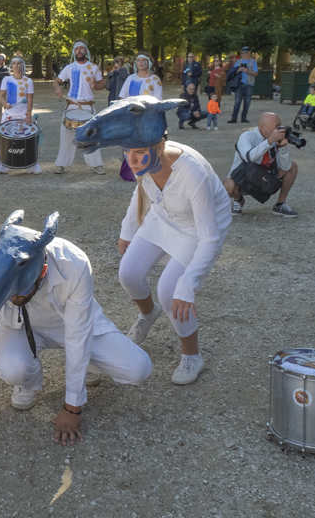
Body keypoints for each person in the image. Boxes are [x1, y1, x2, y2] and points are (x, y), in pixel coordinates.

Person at [0, 211, 152, 472]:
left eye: (20, 292)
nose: (15, 297)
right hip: (16, 328)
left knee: (138, 368)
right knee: (14, 369)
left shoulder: (74, 263)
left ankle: (89, 366)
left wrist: (72, 406)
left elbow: (77, 334)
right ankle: (26, 382)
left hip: (69, 324)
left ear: (42, 269)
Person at [75, 97, 229, 384]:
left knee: (171, 293)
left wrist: (188, 284)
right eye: (126, 153)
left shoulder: (191, 172)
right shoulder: (145, 163)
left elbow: (210, 236)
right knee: (129, 274)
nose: (131, 161)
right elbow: (141, 193)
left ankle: (192, 356)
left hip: (196, 229)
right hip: (162, 217)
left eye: (138, 153)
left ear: (158, 147)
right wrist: (128, 230)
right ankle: (148, 314)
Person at [222, 111, 299, 218]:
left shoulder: (276, 139)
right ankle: (238, 200)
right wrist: (270, 141)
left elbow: (286, 167)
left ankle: (280, 205)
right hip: (244, 179)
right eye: (276, 126)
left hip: (264, 178)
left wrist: (282, 148)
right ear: (263, 128)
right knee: (228, 186)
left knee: (292, 166)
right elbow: (249, 157)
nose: (280, 129)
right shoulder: (246, 137)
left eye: (280, 125)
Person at [53, 40, 106, 175]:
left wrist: (95, 85)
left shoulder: (93, 67)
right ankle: (61, 165)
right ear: (74, 51)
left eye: (82, 48)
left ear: (86, 51)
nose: (80, 51)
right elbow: (56, 81)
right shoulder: (69, 68)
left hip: (87, 106)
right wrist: (58, 88)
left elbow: (101, 85)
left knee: (91, 135)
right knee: (65, 136)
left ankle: (97, 165)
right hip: (71, 104)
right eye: (77, 49)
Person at [0, 55, 40, 175]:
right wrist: (5, 103)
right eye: (14, 63)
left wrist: (29, 115)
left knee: (28, 140)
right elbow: (1, 95)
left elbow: (29, 99)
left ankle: (31, 165)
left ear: (22, 65)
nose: (16, 65)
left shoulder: (28, 81)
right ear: (11, 66)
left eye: (18, 63)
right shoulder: (7, 80)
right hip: (9, 114)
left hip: (23, 114)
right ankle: (2, 165)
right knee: (4, 141)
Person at [228, 46, 258, 124]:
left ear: (249, 53)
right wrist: (238, 70)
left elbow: (255, 73)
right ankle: (234, 118)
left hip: (249, 85)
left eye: (246, 52)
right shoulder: (238, 61)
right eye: (243, 53)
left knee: (247, 102)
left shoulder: (253, 62)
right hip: (239, 84)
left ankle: (243, 118)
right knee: (237, 102)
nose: (244, 54)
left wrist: (246, 70)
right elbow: (233, 72)